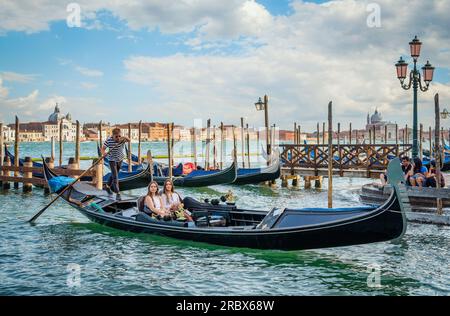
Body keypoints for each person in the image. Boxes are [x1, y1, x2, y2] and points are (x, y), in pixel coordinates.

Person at [101, 128, 130, 200]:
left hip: (120, 159)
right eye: (116, 136)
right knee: (115, 177)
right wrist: (104, 153)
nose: (118, 138)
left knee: (114, 174)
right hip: (112, 160)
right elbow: (102, 149)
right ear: (112, 136)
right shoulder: (108, 141)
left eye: (119, 136)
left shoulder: (122, 139)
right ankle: (118, 193)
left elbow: (129, 140)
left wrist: (124, 137)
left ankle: (107, 186)